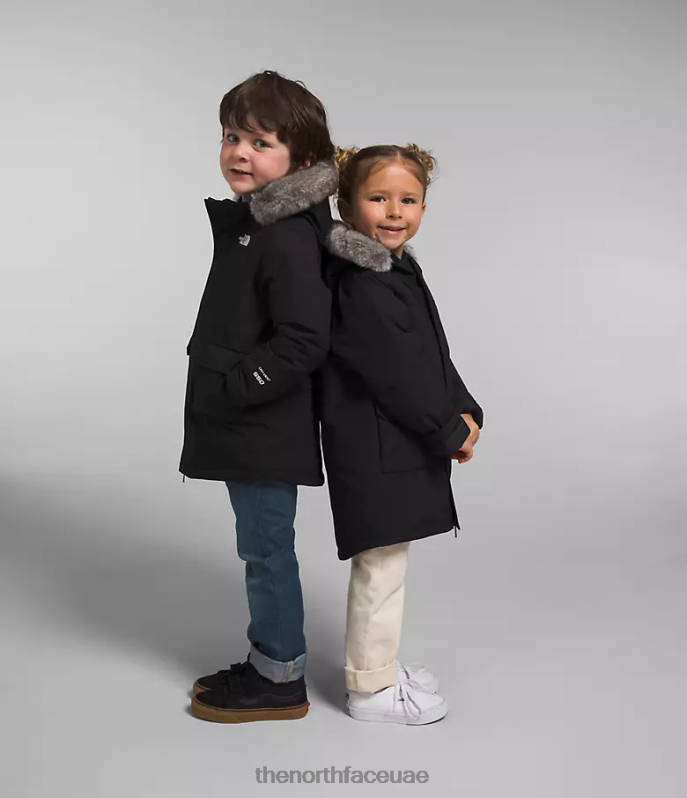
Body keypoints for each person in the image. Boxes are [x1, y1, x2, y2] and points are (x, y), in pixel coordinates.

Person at [179, 71, 337, 723]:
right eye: (231, 137)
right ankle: (270, 661)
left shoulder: (287, 233)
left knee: (266, 551)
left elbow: (304, 339)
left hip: (264, 427)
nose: (239, 152)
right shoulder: (258, 222)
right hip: (248, 424)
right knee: (260, 548)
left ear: (300, 159)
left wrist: (237, 389)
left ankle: (280, 678)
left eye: (260, 142)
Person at [320, 144, 484, 724]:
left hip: (397, 441)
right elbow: (395, 374)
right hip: (375, 445)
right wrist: (447, 431)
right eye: (378, 198)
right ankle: (370, 689)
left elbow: (430, 355)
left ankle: (381, 667)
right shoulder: (360, 281)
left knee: (389, 560)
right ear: (346, 205)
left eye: (408, 200)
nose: (395, 212)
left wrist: (465, 410)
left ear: (423, 207)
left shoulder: (395, 268)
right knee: (381, 566)